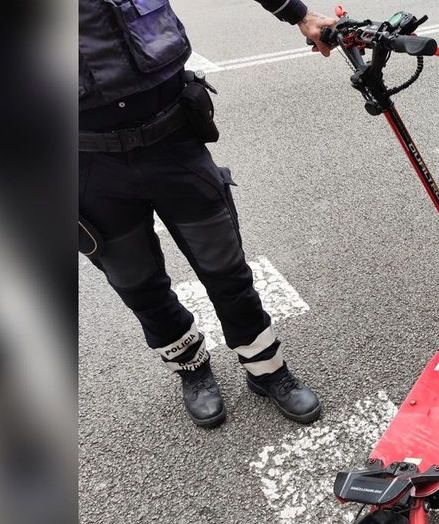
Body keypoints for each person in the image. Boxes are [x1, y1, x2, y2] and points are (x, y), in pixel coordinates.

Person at [78, 0, 335, 427]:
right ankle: (192, 370)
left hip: (173, 141)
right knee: (137, 284)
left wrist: (299, 14)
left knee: (226, 268)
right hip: (88, 164)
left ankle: (267, 369)